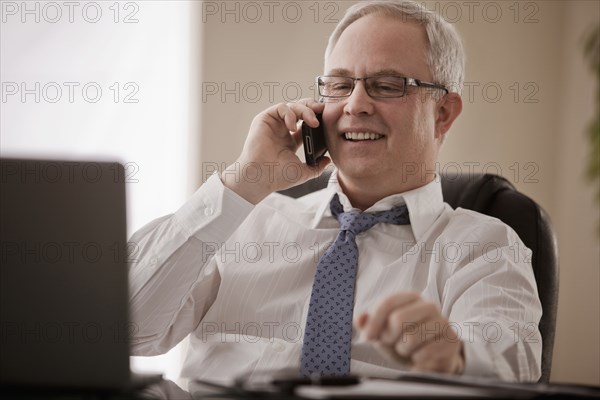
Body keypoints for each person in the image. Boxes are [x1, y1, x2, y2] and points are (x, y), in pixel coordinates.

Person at [128, 0, 542, 384]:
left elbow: (510, 368)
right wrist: (243, 182)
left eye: (386, 84)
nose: (355, 105)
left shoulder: (484, 248)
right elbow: (128, 330)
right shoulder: (244, 220)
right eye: (340, 85)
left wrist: (454, 357)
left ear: (444, 112)